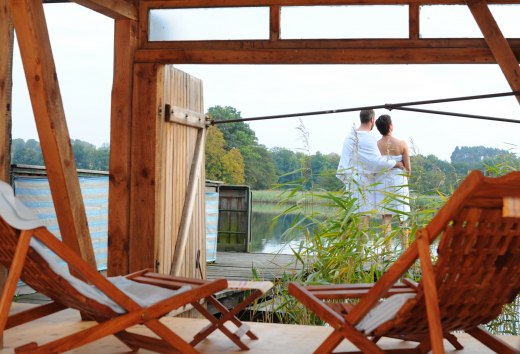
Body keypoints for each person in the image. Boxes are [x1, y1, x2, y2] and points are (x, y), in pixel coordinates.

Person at [336, 109, 404, 230]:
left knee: (351, 220)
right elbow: (376, 161)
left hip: (351, 184)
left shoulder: (349, 137)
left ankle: (348, 247)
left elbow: (344, 164)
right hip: (363, 184)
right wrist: (396, 164)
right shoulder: (368, 138)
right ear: (372, 120)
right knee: (364, 219)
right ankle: (360, 248)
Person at [374, 114, 411, 245]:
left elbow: (374, 166)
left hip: (382, 181)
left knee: (386, 216)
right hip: (399, 181)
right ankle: (405, 249)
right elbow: (408, 170)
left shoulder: (376, 145)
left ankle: (388, 252)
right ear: (390, 126)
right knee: (403, 216)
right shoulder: (402, 144)